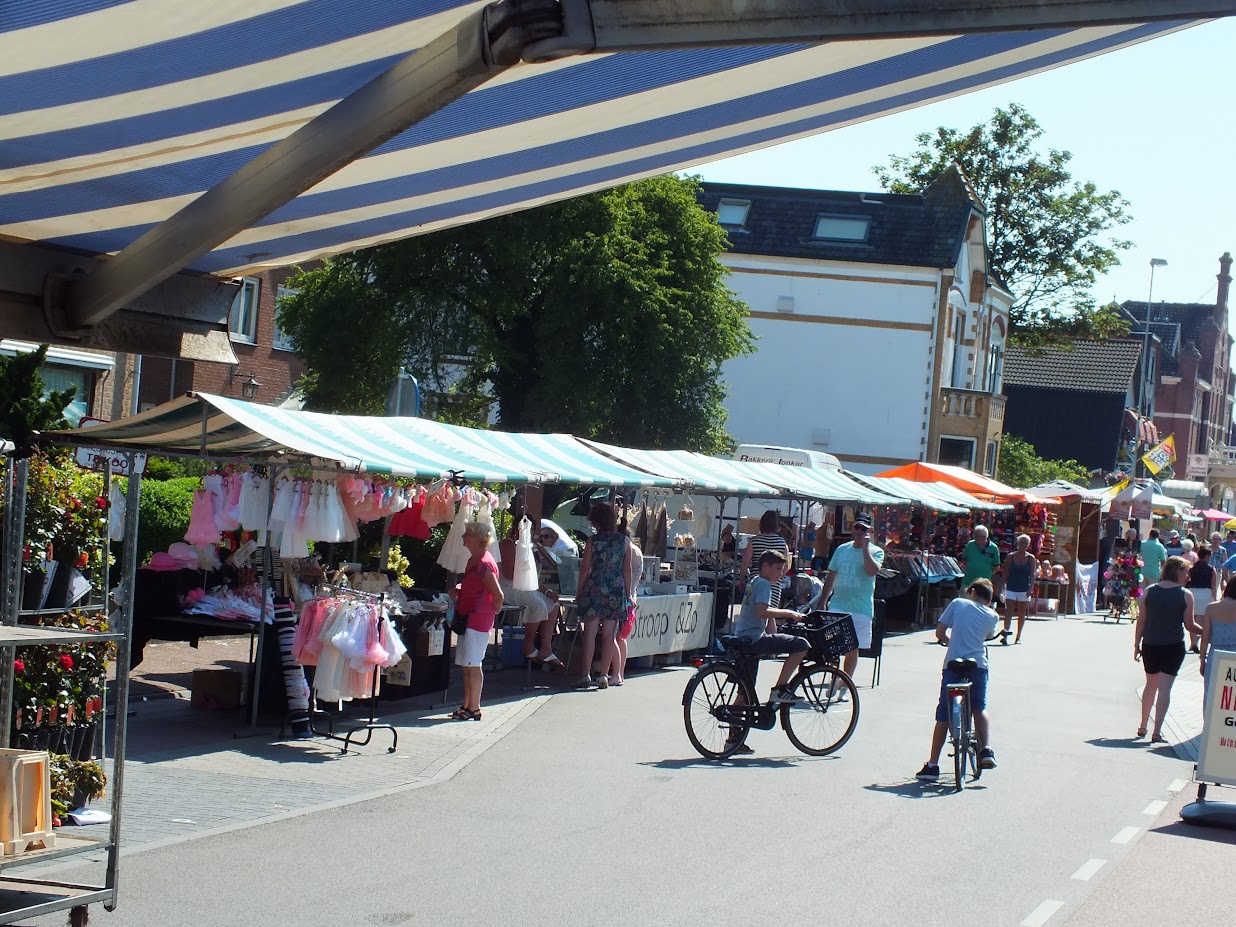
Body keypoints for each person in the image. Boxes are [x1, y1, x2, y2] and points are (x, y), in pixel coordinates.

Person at [914, 579, 1000, 782]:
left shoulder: (958, 603)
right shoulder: (992, 616)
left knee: (943, 714)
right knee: (979, 707)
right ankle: (986, 749)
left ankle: (933, 765)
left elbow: (939, 633)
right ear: (988, 600)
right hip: (977, 665)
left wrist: (952, 642)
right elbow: (987, 637)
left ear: (971, 592)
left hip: (953, 663)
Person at [1134, 556, 1201, 743]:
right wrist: (1208, 632)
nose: (1188, 576)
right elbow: (1190, 625)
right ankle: (1157, 732)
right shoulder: (1185, 594)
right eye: (1186, 571)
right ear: (1178, 571)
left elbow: (1142, 621)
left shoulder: (1148, 592)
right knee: (1165, 689)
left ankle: (1143, 725)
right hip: (1173, 645)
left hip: (1150, 644)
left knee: (1150, 685)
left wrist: (1136, 644)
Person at [734, 551, 811, 705]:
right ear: (765, 566)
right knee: (801, 644)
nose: (782, 573)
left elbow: (764, 615)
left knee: (746, 688)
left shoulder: (755, 581)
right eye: (778, 569)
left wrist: (774, 633)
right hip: (754, 639)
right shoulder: (764, 584)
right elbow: (762, 612)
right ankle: (780, 689)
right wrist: (789, 613)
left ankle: (734, 724)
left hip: (743, 636)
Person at [573, 502, 634, 690]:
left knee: (589, 633)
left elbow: (585, 568)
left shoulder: (593, 541)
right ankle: (603, 676)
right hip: (615, 588)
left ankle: (585, 674)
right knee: (610, 634)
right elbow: (627, 570)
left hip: (595, 586)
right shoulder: (625, 542)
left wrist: (579, 590)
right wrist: (629, 593)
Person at [449, 521, 504, 721]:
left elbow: (497, 593)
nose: (463, 537)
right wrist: (460, 590)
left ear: (477, 538)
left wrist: (490, 613)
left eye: (467, 534)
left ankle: (475, 707)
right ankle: (467, 704)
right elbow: (476, 585)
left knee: (473, 664)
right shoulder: (475, 560)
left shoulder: (483, 563)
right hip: (469, 617)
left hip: (477, 619)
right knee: (467, 664)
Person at [819, 514, 884, 679]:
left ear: (870, 530)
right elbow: (831, 576)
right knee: (834, 646)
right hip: (838, 604)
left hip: (860, 607)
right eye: (857, 527)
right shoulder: (842, 549)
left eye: (864, 528)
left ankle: (845, 682)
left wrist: (865, 548)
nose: (860, 531)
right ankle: (835, 678)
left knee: (852, 648)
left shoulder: (877, 551)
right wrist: (822, 602)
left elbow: (872, 571)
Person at [498, 525, 563, 668]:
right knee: (537, 604)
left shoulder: (531, 547)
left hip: (525, 587)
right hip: (508, 587)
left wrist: (547, 591)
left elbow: (532, 578)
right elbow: (509, 575)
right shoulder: (508, 544)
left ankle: (546, 647)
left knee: (553, 604)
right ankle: (528, 644)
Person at [740, 510, 791, 607]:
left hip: (757, 581)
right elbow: (786, 565)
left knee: (754, 612)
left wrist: (741, 579)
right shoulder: (782, 542)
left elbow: (746, 561)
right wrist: (779, 577)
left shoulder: (754, 541)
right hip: (775, 584)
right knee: (770, 613)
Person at [1199, 576, 1236, 697]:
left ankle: (1210, 716)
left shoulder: (1211, 608)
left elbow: (1205, 637)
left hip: (1216, 654)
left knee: (1212, 693)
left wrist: (1202, 659)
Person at [1000, 534, 1036, 645]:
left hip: (1024, 588)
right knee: (1009, 611)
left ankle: (1018, 636)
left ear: (1028, 545)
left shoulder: (1031, 558)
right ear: (1017, 544)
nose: (1023, 545)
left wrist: (1030, 588)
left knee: (1021, 613)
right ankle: (1005, 635)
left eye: (1026, 543)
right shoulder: (1011, 556)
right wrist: (1003, 586)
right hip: (1011, 587)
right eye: (1021, 543)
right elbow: (1005, 572)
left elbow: (1032, 574)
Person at [1185, 546, 1216, 654]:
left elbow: (1186, 581)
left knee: (1192, 618)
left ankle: (1193, 642)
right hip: (1206, 594)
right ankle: (1199, 641)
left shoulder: (1191, 568)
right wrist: (1214, 599)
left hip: (1193, 592)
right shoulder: (1211, 569)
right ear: (1207, 556)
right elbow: (1213, 586)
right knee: (1202, 620)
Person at [960, 525, 1001, 590]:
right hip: (967, 583)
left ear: (984, 537)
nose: (974, 538)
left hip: (984, 585)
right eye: (974, 536)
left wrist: (986, 572)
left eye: (976, 536)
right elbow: (964, 560)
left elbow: (996, 566)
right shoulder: (970, 544)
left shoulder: (994, 548)